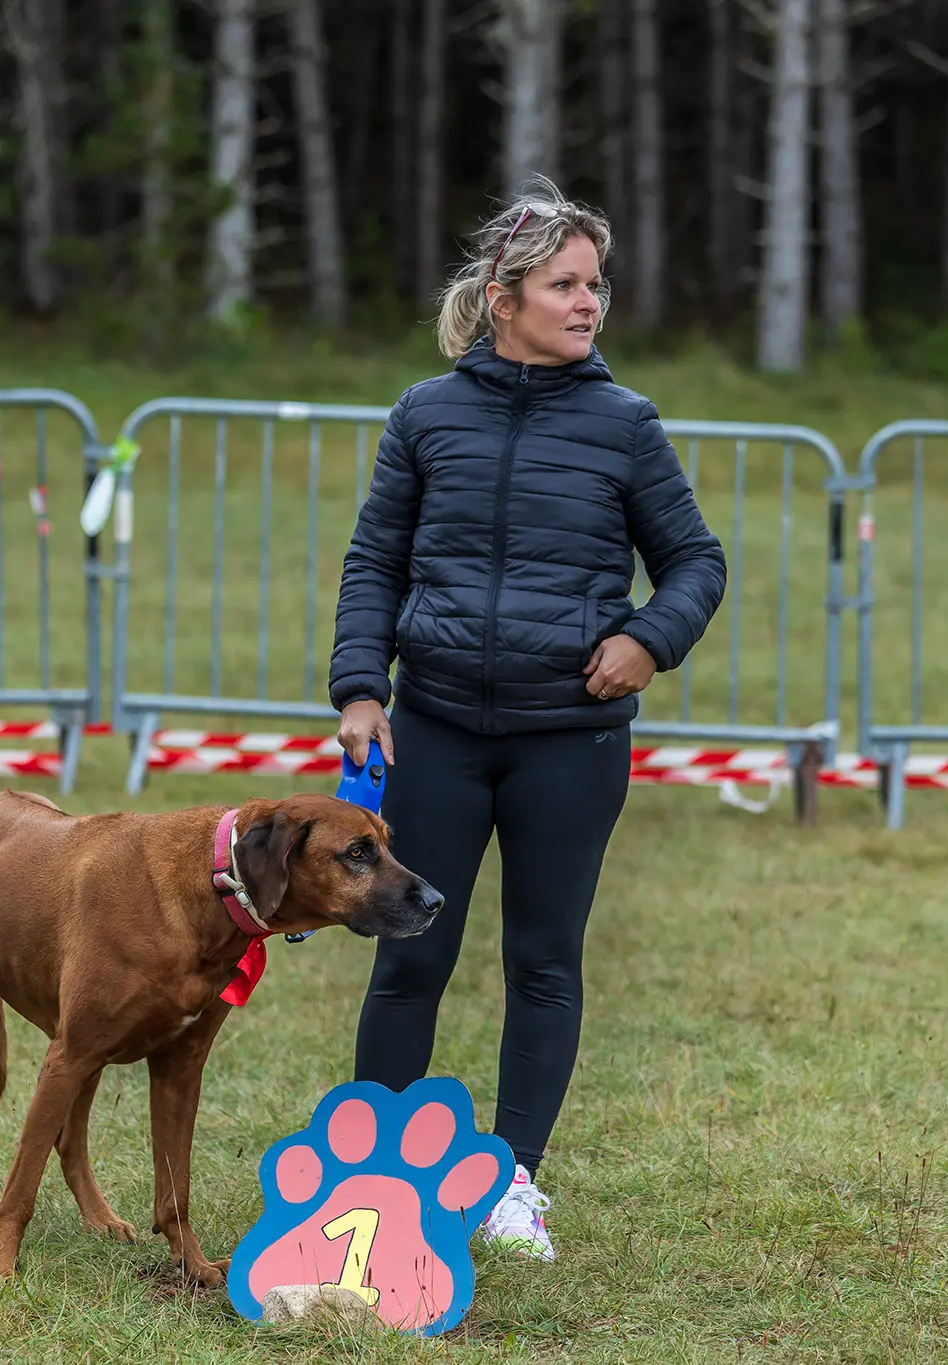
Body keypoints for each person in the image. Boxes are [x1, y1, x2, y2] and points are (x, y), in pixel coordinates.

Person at [327, 180, 727, 1263]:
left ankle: (512, 1183)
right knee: (407, 956)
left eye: (595, 284)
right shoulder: (423, 416)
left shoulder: (625, 425)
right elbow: (373, 563)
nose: (588, 301)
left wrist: (648, 639)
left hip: (571, 743)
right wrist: (360, 689)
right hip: (436, 734)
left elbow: (694, 561)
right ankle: (368, 1181)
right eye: (565, 284)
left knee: (542, 962)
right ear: (503, 299)